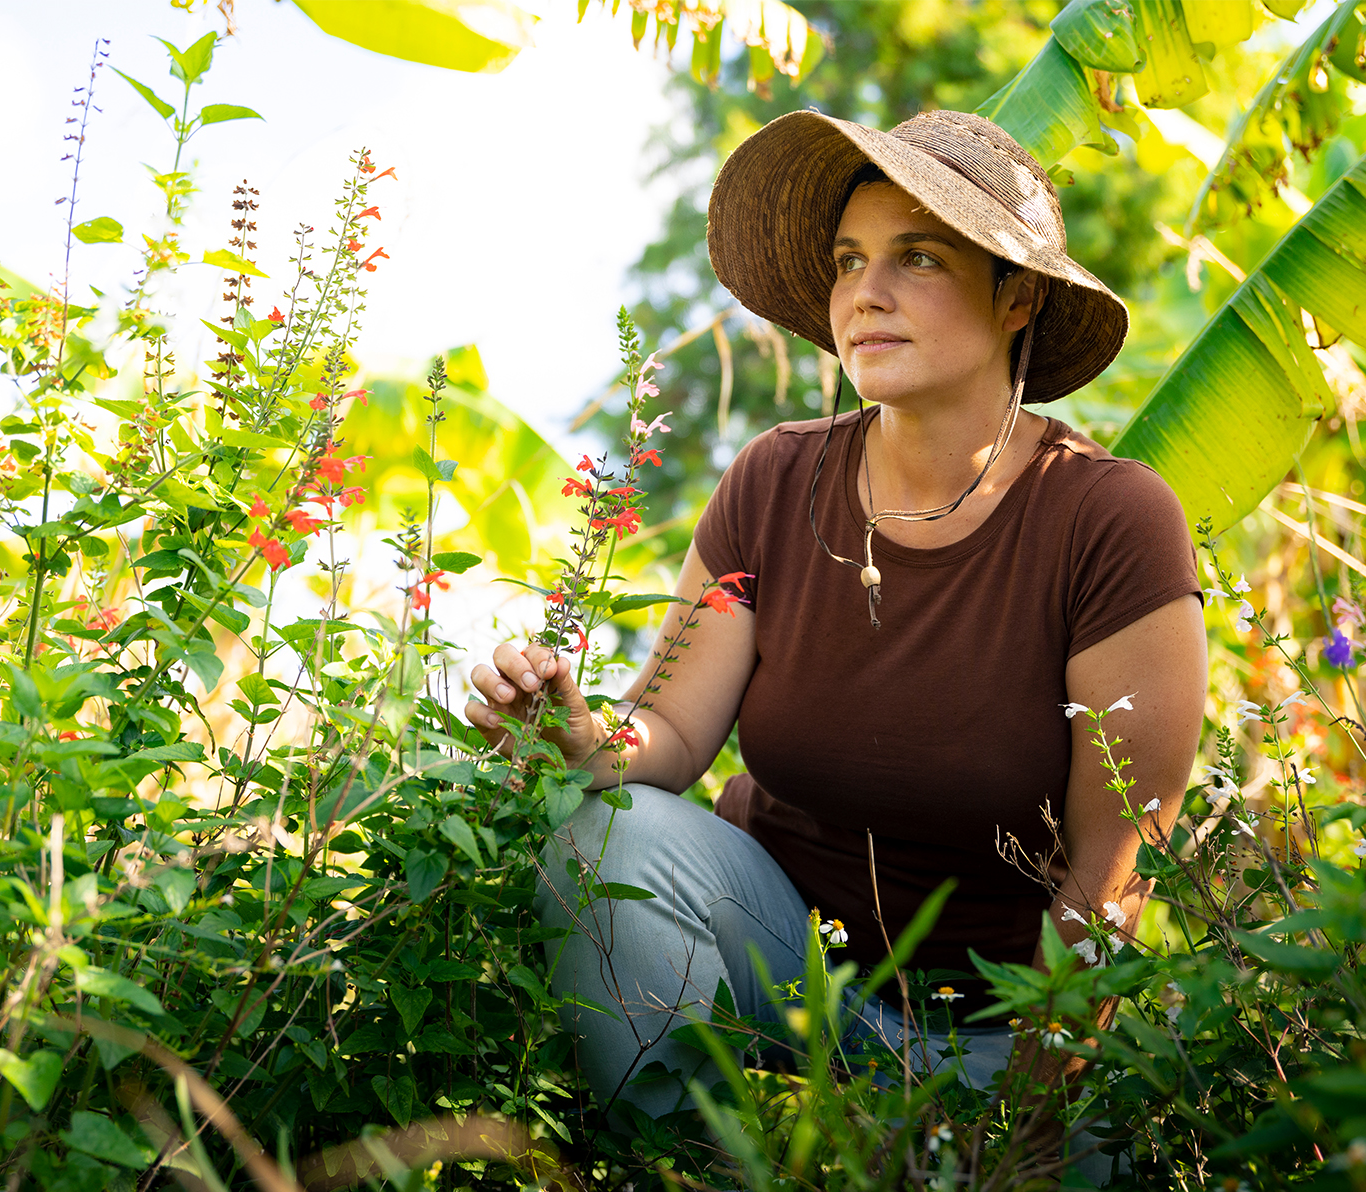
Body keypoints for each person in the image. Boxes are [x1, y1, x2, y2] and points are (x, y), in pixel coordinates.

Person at [463, 109, 1207, 1121]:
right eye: (850, 259)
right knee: (602, 835)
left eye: (920, 257)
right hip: (787, 968)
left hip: (998, 1033)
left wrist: (1024, 1128)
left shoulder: (1108, 518)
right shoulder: (775, 480)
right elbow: (672, 733)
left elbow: (1112, 870)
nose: (868, 291)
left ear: (1017, 295)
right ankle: (686, 1172)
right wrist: (581, 735)